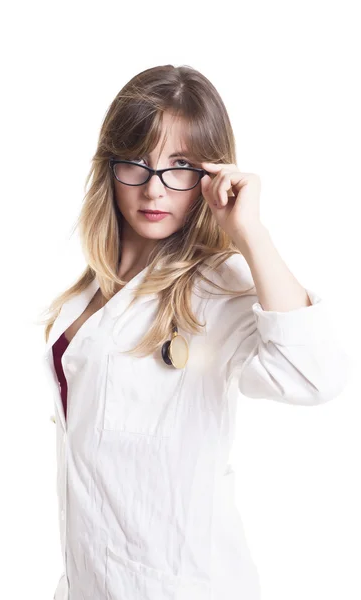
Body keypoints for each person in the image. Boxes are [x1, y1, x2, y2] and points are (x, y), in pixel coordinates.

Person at [40, 64, 350, 600]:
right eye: (137, 162)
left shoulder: (217, 287)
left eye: (180, 165)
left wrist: (250, 232)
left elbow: (315, 377)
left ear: (211, 173)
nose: (154, 188)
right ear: (110, 168)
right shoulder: (80, 298)